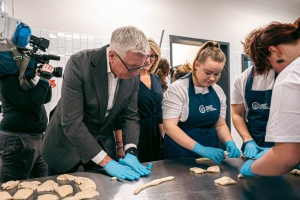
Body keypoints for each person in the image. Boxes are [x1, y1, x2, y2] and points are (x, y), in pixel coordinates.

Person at [41, 26, 152, 181]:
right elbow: (72, 123)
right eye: (132, 67)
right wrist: (107, 162)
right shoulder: (80, 64)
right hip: (64, 146)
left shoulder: (132, 75)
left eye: (140, 67)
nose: (135, 73)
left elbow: (131, 116)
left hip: (102, 144)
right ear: (112, 56)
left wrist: (131, 151)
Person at [162, 41, 240, 164]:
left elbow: (220, 125)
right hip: (180, 156)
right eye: (208, 72)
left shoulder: (218, 91)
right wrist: (200, 149)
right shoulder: (177, 89)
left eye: (217, 74)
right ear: (196, 64)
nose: (212, 78)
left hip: (210, 157)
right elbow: (170, 127)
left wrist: (229, 142)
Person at [240, 21, 300, 176]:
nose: (275, 70)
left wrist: (252, 169)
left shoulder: (291, 76)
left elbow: (288, 156)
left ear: (275, 51)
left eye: (271, 65)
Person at [0, 63, 54, 183]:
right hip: (18, 140)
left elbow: (45, 99)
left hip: (37, 138)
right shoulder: (9, 79)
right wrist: (44, 80)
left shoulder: (24, 80)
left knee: (44, 181)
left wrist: (45, 80)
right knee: (12, 186)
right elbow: (30, 104)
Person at [231, 44, 277, 158]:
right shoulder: (241, 79)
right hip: (254, 142)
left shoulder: (285, 75)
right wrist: (248, 140)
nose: (257, 62)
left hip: (281, 142)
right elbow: (236, 114)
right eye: (254, 57)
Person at [137, 37, 164, 163]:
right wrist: (120, 144)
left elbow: (159, 112)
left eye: (153, 56)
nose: (149, 60)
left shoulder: (156, 79)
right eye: (146, 56)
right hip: (137, 133)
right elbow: (121, 114)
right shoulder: (130, 78)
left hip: (155, 134)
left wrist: (163, 137)